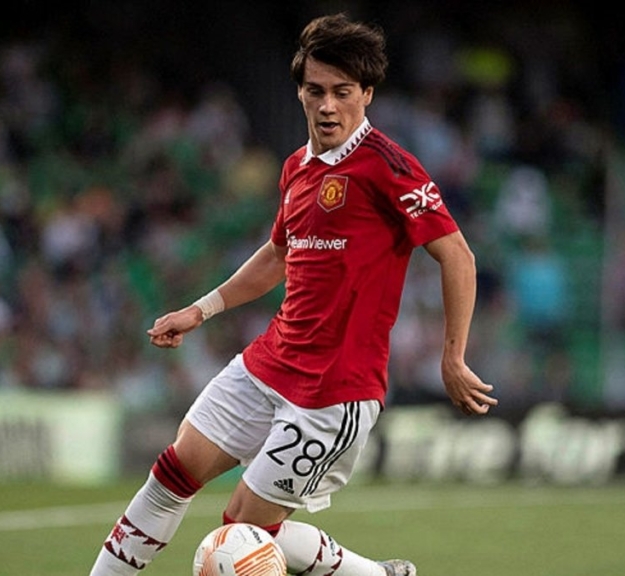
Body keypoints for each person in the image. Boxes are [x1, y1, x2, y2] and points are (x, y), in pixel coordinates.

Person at [88, 13, 498, 576]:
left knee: (241, 534)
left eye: (342, 92)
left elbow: (458, 256)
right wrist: (200, 310)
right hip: (270, 363)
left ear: (367, 94)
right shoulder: (296, 168)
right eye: (315, 91)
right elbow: (278, 256)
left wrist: (453, 356)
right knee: (171, 474)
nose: (327, 106)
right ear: (300, 92)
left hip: (334, 391)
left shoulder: (390, 167)